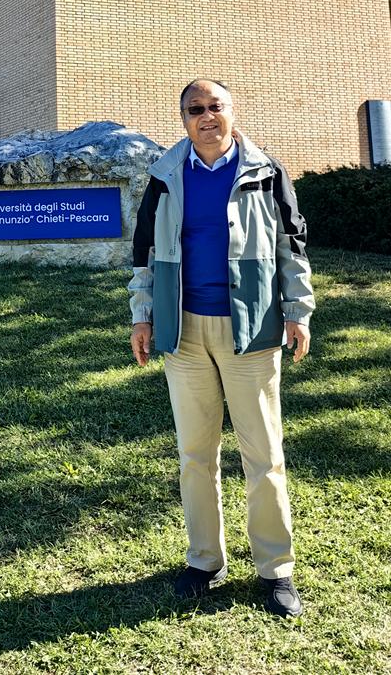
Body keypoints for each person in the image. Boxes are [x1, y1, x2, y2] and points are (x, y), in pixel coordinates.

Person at [129, 78, 313, 618]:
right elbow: (144, 252)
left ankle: (275, 569)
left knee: (264, 455)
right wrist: (142, 314)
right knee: (195, 455)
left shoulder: (267, 171)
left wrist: (298, 311)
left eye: (216, 107)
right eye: (195, 109)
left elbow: (292, 245)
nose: (206, 116)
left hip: (250, 330)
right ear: (183, 119)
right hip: (183, 332)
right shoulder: (164, 175)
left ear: (233, 112)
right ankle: (204, 560)